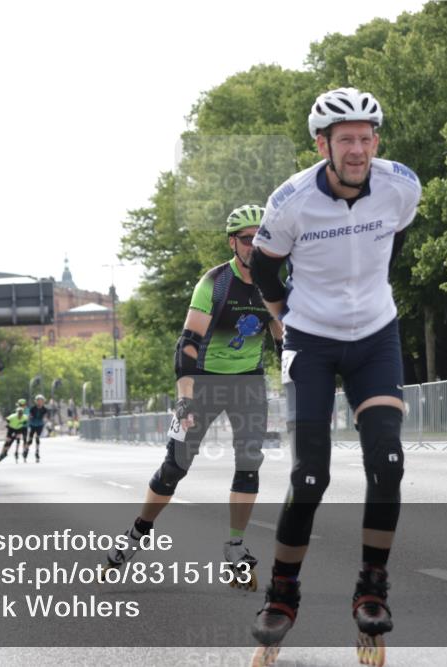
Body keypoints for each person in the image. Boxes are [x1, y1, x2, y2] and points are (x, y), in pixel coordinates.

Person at [247, 87, 421, 663]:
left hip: (376, 337)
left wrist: (368, 300)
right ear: (322, 144)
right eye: (345, 139)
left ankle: (372, 588)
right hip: (311, 342)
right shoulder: (290, 202)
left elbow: (391, 246)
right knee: (311, 477)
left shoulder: (401, 186)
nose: (357, 149)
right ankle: (282, 593)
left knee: (388, 462)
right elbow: (266, 273)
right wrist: (284, 324)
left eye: (366, 138)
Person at [104, 204, 283, 590]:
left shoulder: (276, 280)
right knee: (175, 467)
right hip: (202, 382)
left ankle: (235, 545)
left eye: (261, 238)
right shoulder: (215, 283)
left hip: (248, 383)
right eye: (248, 239)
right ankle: (138, 532)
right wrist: (184, 399)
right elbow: (187, 345)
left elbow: (284, 339)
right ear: (233, 242)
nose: (256, 245)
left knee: (250, 462)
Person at [0, 399, 30, 464]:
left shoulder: (21, 410)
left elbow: (10, 419)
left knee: (14, 440)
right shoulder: (23, 410)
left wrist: (7, 425)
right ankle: (20, 452)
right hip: (19, 427)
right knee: (17, 440)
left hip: (20, 427)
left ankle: (5, 452)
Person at [25, 395, 49, 462]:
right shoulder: (32, 408)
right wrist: (29, 417)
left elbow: (45, 416)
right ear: (36, 401)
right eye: (38, 401)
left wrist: (45, 419)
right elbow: (29, 415)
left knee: (37, 438)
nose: (40, 402)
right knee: (30, 440)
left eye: (41, 401)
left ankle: (37, 452)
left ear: (43, 402)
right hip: (32, 424)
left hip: (40, 425)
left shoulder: (45, 409)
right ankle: (26, 449)